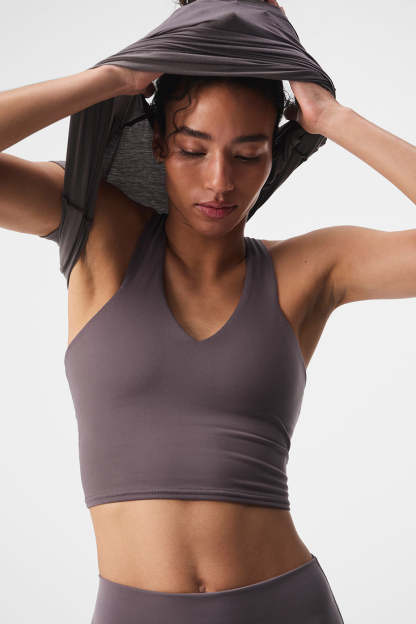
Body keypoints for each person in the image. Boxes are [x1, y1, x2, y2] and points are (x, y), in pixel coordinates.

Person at [1, 1, 415, 622]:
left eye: (248, 154)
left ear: (275, 154)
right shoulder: (100, 234)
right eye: (194, 149)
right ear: (158, 144)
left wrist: (332, 117)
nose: (220, 181)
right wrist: (114, 78)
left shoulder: (310, 269)